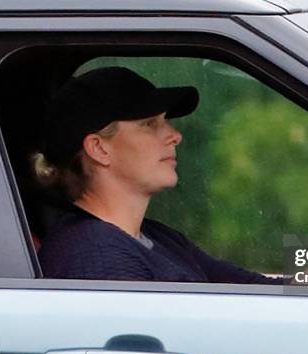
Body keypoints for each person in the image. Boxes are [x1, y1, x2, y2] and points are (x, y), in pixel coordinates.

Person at [34, 66, 284, 284]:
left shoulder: (154, 237)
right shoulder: (98, 256)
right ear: (99, 149)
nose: (175, 135)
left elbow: (261, 288)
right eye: (149, 124)